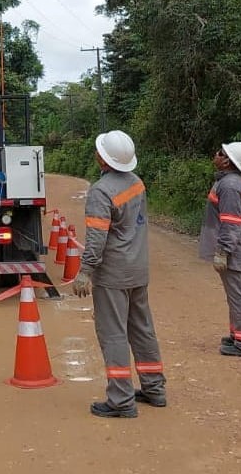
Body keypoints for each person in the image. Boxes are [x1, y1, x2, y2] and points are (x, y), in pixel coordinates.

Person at [72, 130, 167, 418]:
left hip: (113, 273)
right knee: (142, 330)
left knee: (113, 334)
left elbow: (97, 238)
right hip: (137, 269)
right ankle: (154, 388)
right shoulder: (137, 182)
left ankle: (121, 400)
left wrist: (85, 271)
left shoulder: (101, 191)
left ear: (103, 159)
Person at [199, 141, 241, 358]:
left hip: (236, 250)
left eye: (220, 153)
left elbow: (231, 222)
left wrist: (223, 251)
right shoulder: (231, 182)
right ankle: (238, 335)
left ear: (227, 162)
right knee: (235, 295)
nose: (216, 154)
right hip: (237, 248)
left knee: (239, 295)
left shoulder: (230, 185)